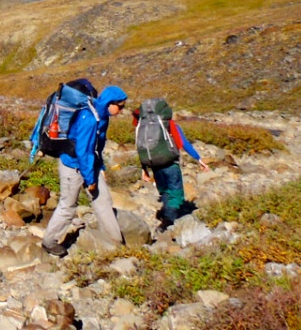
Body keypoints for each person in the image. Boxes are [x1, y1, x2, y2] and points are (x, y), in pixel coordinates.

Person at [41, 85, 128, 257]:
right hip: (72, 166)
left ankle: (115, 243)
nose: (122, 110)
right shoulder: (89, 117)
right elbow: (83, 151)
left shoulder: (102, 117)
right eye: (121, 106)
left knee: (103, 201)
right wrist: (91, 181)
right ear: (110, 103)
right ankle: (48, 242)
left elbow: (97, 147)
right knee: (68, 206)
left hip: (90, 165)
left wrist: (100, 167)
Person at [133, 100, 210, 228]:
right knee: (176, 193)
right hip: (170, 164)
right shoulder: (169, 125)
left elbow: (142, 148)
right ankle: (168, 222)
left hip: (155, 165)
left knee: (164, 191)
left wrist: (144, 169)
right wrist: (199, 159)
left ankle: (166, 215)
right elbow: (184, 143)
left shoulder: (144, 127)